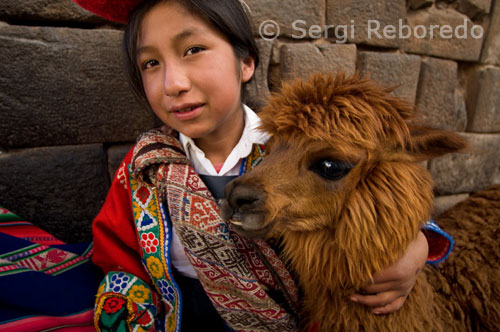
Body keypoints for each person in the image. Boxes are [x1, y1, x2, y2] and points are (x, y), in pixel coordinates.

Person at [72, 0, 454, 331]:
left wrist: (416, 246)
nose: (173, 83)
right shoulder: (143, 170)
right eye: (151, 63)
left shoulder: (293, 149)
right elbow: (116, 254)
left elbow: (377, 203)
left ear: (246, 63)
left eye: (193, 50)